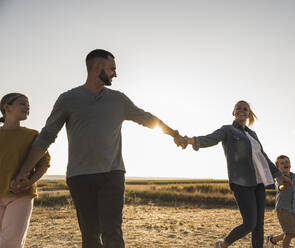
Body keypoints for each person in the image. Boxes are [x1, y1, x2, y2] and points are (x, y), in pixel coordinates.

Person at [12, 49, 186, 248]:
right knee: (90, 236)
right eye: (112, 68)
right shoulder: (68, 99)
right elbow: (46, 137)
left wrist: (173, 133)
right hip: (80, 177)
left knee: (112, 233)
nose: (115, 74)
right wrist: (24, 172)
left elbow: (146, 118)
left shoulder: (118, 99)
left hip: (112, 174)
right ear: (97, 67)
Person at [181, 100, 292, 248]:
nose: (242, 110)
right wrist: (191, 140)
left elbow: (263, 157)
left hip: (259, 183)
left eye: (245, 109)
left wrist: (280, 175)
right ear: (233, 112)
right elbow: (212, 138)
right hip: (241, 183)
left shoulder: (253, 134)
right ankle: (224, 243)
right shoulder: (228, 130)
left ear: (249, 113)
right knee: (249, 223)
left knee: (258, 226)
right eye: (238, 108)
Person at [0, 93, 50, 248]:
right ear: (7, 107)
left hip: (21, 195)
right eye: (22, 103)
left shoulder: (32, 135)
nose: (27, 107)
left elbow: (44, 164)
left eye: (28, 105)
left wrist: (30, 181)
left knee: (10, 243)